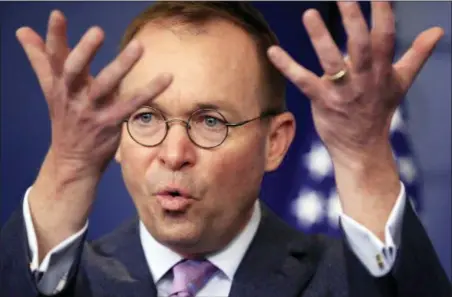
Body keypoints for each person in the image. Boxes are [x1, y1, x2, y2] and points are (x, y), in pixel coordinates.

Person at [0, 1, 450, 297]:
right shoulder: (67, 282)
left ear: (275, 143)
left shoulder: (339, 280)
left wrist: (363, 160)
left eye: (210, 121)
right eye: (146, 117)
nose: (174, 153)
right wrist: (69, 168)